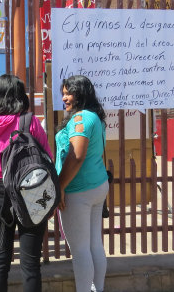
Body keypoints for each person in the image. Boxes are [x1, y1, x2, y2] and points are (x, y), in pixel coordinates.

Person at [0, 74, 52, 292]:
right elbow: (46, 157)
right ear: (21, 95)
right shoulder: (29, 121)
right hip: (30, 190)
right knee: (30, 264)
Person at [56, 75, 109, 292]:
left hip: (79, 190)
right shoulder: (94, 116)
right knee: (94, 244)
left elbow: (76, 156)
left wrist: (60, 186)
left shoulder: (80, 119)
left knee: (80, 250)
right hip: (96, 186)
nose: (64, 98)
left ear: (80, 94)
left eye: (69, 93)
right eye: (63, 93)